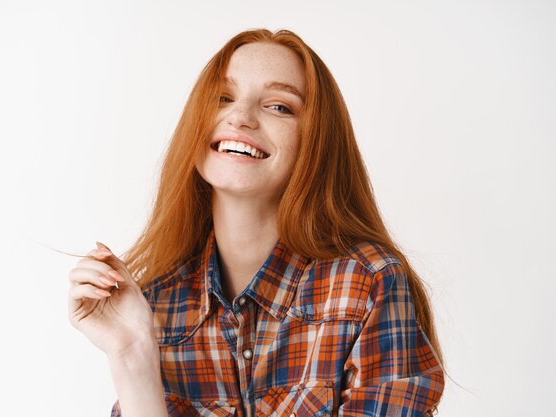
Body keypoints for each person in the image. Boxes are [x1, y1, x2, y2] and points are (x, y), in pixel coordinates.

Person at [68, 28, 445, 417]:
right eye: (223, 98)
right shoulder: (157, 304)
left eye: (279, 106)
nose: (241, 117)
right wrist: (132, 357)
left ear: (316, 140)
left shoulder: (368, 284)